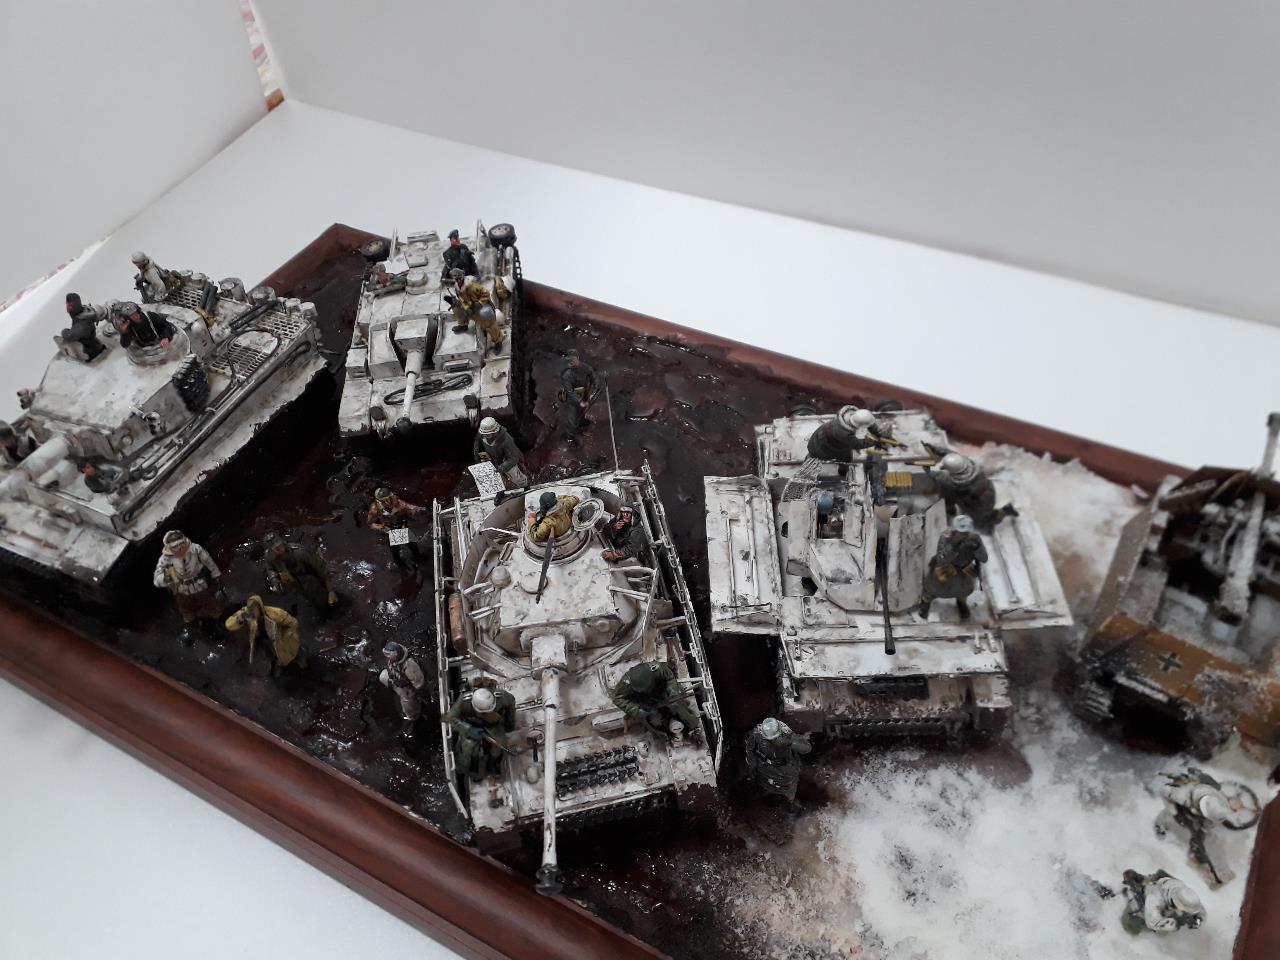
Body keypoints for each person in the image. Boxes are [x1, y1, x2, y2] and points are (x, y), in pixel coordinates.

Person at [152, 530, 224, 641]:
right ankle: (192, 629)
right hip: (182, 589)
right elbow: (157, 579)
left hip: (200, 584)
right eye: (175, 546)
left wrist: (216, 574)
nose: (180, 548)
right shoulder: (165, 559)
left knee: (210, 604)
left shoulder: (195, 549)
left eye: (181, 544)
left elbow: (208, 561)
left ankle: (220, 622)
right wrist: (167, 578)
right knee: (186, 609)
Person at [445, 680, 517, 780]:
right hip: (471, 725)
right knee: (468, 748)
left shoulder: (501, 697)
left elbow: (511, 701)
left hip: (493, 725)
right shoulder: (464, 700)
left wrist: (510, 724)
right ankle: (472, 767)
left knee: (499, 745)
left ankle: (493, 765)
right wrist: (468, 729)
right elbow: (449, 718)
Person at [919, 514, 987, 620]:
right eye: (962, 532)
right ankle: (926, 602)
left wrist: (978, 548)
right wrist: (954, 547)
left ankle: (961, 602)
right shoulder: (945, 537)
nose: (965, 535)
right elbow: (942, 561)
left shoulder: (974, 538)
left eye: (967, 532)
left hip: (964, 571)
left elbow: (984, 559)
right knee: (932, 588)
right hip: (946, 569)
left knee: (964, 590)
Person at [610, 662, 700, 740]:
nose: (645, 689)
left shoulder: (657, 669)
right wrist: (637, 709)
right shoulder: (626, 683)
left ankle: (693, 727)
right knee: (654, 721)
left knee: (679, 708)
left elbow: (670, 678)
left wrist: (672, 691)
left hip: (662, 693)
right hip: (644, 702)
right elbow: (617, 698)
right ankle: (665, 737)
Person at [932, 453, 1017, 531]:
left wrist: (950, 511)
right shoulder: (973, 465)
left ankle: (1005, 511)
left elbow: (949, 499)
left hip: (977, 504)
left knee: (982, 522)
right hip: (989, 491)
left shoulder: (949, 483)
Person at [224, 595, 304, 674]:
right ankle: (277, 663)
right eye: (250, 610)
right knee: (270, 651)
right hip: (263, 636)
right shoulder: (246, 613)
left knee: (287, 651)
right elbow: (229, 625)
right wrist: (239, 619)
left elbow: (293, 623)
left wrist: (287, 635)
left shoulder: (275, 613)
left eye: (254, 611)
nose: (252, 614)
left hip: (277, 636)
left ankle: (296, 660)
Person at [264, 534, 337, 612]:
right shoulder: (270, 556)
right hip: (295, 583)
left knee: (323, 599)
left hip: (310, 578)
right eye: (276, 549)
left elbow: (322, 568)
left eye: (280, 545)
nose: (280, 549)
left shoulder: (299, 552)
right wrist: (274, 579)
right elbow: (270, 568)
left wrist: (331, 590)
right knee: (309, 598)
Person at [744, 717, 812, 801]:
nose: (773, 740)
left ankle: (789, 801)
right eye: (770, 739)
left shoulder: (786, 733)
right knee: (765, 795)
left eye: (775, 738)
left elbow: (806, 748)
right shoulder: (756, 734)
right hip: (765, 774)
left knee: (788, 796)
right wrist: (753, 768)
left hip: (787, 774)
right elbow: (750, 752)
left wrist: (789, 742)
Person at [1120, 869, 1205, 935]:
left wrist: (1197, 920)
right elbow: (1152, 922)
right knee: (1130, 926)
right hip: (1146, 908)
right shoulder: (1154, 898)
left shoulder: (1182, 889)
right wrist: (1175, 924)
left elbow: (1200, 910)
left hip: (1161, 894)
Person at [445, 269, 503, 352]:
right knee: (457, 309)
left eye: (459, 278)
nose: (458, 280)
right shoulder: (457, 287)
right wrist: (466, 307)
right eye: (456, 279)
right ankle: (463, 325)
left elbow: (486, 293)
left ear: (462, 277)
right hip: (469, 306)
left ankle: (498, 341)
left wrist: (479, 303)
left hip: (480, 306)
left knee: (489, 322)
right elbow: (461, 299)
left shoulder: (473, 286)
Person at [806, 406, 891, 462]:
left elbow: (867, 422)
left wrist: (877, 433)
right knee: (845, 457)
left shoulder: (850, 413)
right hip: (824, 446)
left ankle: (810, 457)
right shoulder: (844, 434)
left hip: (821, 434)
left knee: (845, 455)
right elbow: (857, 444)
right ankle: (843, 472)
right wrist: (876, 441)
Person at [378, 641, 426, 736]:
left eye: (388, 655)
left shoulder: (409, 666)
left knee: (407, 703)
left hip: (408, 688)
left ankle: (413, 716)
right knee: (383, 676)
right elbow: (390, 669)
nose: (387, 657)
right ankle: (400, 693)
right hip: (398, 682)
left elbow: (419, 683)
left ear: (396, 655)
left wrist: (411, 692)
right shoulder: (392, 661)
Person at [366, 486, 424, 562]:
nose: (387, 503)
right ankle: (398, 562)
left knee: (412, 544)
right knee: (395, 549)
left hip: (400, 524)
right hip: (388, 528)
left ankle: (417, 557)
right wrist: (381, 527)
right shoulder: (375, 509)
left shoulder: (396, 501)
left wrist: (417, 509)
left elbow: (407, 506)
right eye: (383, 501)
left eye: (388, 499)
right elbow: (370, 523)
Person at [474, 417, 528, 487]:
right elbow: (477, 449)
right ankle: (499, 490)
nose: (485, 436)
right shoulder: (481, 435)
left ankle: (524, 486)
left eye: (488, 434)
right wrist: (479, 462)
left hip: (507, 459)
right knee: (492, 477)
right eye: (484, 434)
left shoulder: (506, 439)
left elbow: (514, 457)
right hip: (491, 457)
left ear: (494, 432)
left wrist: (502, 467)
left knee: (515, 476)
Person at [557, 349, 598, 437]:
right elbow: (570, 391)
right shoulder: (566, 374)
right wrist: (579, 401)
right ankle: (570, 437)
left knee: (582, 414)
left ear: (578, 358)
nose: (571, 362)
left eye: (573, 359)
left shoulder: (585, 367)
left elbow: (593, 377)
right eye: (569, 360)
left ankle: (581, 429)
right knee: (573, 419)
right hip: (572, 398)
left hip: (584, 393)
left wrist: (592, 392)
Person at [60, 293, 106, 360]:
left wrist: (65, 331)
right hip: (91, 341)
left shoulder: (81, 325)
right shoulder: (83, 313)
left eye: (68, 305)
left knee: (86, 342)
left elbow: (69, 336)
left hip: (89, 351)